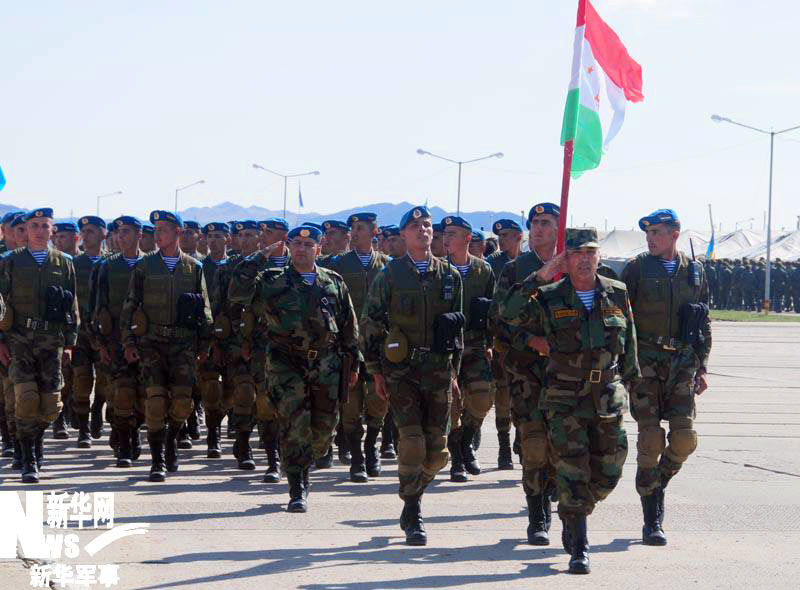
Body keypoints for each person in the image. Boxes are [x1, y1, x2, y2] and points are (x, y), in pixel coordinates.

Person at [499, 227, 638, 575]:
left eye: (591, 253)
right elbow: (508, 312)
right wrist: (543, 273)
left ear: (599, 257)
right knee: (572, 469)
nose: (585, 260)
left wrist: (633, 387)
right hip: (564, 398)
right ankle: (579, 544)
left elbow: (630, 347)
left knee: (610, 468)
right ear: (566, 258)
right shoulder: (549, 296)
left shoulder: (616, 294)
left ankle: (572, 511)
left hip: (606, 396)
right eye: (577, 254)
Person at [361, 205, 463, 546]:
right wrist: (376, 371)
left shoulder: (450, 276)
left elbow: (457, 331)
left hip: (438, 369)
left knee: (438, 452)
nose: (423, 229)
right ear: (403, 235)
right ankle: (412, 509)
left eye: (427, 224)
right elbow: (371, 324)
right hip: (402, 371)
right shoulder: (389, 276)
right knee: (413, 442)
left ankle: (414, 490)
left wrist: (454, 373)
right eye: (415, 225)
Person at [244, 225, 360, 512]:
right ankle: (298, 487)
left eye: (308, 246)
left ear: (319, 250)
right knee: (294, 426)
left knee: (322, 433)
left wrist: (353, 362)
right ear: (288, 247)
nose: (301, 249)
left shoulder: (333, 282)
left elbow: (349, 326)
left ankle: (307, 463)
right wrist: (262, 255)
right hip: (287, 363)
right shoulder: (271, 281)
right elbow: (238, 290)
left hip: (326, 364)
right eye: (296, 244)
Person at [621, 209, 711, 546]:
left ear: (675, 233)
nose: (650, 239)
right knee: (650, 440)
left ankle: (659, 481)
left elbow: (704, 321)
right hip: (645, 363)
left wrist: (702, 365)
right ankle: (651, 519)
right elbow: (620, 318)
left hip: (683, 364)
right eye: (647, 233)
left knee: (684, 439)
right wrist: (625, 366)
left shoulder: (696, 271)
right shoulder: (637, 269)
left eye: (657, 232)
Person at [120, 210, 213, 482]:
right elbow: (129, 306)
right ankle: (158, 459)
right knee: (156, 400)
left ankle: (172, 436)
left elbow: (205, 308)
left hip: (183, 343)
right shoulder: (145, 266)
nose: (158, 234)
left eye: (163, 229)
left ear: (178, 233)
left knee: (183, 401)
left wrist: (205, 344)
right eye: (156, 229)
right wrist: (128, 342)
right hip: (152, 344)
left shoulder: (193, 267)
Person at [491, 203, 561, 545]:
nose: (538, 229)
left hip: (568, 374)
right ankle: (537, 518)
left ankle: (552, 491)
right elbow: (498, 319)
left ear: (560, 227)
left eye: (546, 223)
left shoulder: (573, 267)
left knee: (562, 445)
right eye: (534, 223)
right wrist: (530, 339)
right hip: (526, 371)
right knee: (534, 444)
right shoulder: (516, 269)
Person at [0, 208, 80, 483]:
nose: (38, 231)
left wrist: (70, 342)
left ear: (51, 231)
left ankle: (36, 440)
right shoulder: (10, 262)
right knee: (26, 398)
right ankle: (28, 456)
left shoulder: (64, 262)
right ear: (28, 229)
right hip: (19, 340)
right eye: (33, 226)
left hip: (52, 342)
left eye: (44, 226)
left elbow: (72, 304)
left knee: (50, 404)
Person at [320, 212, 390, 482]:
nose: (356, 232)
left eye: (361, 228)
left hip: (378, 346)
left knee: (378, 400)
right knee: (349, 403)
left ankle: (372, 445)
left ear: (374, 231)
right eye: (354, 228)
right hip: (346, 345)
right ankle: (357, 458)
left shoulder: (387, 265)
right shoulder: (337, 265)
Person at [440, 216, 495, 482]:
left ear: (467, 239)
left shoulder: (483, 270)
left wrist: (491, 344)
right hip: (447, 348)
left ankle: (468, 439)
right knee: (452, 404)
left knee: (482, 399)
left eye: (452, 233)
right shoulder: (437, 269)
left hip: (475, 344)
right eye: (444, 233)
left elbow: (493, 310)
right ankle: (457, 458)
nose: (446, 238)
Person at [93, 216, 146, 467]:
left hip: (148, 342)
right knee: (121, 393)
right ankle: (125, 442)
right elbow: (98, 306)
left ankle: (134, 432)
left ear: (139, 234)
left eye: (126, 232)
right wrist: (100, 344)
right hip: (115, 342)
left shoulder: (152, 264)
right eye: (118, 232)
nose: (120, 237)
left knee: (146, 395)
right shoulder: (107, 267)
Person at [485, 219, 523, 470]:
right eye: (499, 236)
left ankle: (522, 438)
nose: (502, 240)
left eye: (507, 235)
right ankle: (503, 446)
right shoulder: (494, 265)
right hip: (502, 340)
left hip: (527, 341)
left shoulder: (529, 264)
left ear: (519, 236)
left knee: (524, 394)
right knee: (502, 393)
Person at [72, 215, 111, 447]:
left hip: (105, 334)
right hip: (80, 333)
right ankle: (83, 428)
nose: (86, 236)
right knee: (81, 380)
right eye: (83, 232)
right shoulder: (74, 264)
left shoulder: (111, 263)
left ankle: (98, 407)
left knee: (105, 380)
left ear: (103, 235)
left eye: (91, 232)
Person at [197, 222, 233, 458]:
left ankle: (235, 425)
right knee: (210, 387)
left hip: (233, 337)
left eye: (218, 236)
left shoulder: (236, 266)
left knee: (233, 390)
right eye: (210, 237)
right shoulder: (199, 267)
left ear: (227, 239)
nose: (213, 241)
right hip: (207, 337)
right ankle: (213, 435)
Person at [51, 222, 81, 440]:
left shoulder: (83, 263)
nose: (59, 241)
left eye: (64, 237)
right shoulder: (52, 263)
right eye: (57, 237)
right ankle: (59, 420)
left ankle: (78, 414)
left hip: (86, 329)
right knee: (62, 375)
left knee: (79, 378)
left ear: (75, 239)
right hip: (58, 330)